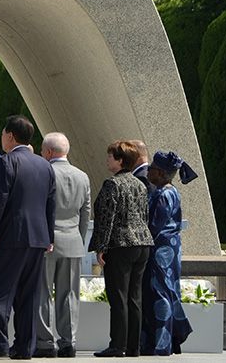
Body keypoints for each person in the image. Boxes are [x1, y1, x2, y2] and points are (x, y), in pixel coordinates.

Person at [0, 115, 56, 360]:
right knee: (29, 296)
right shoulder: (45, 165)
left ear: (10, 136)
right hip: (38, 238)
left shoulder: (6, 161)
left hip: (11, 236)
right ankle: (24, 347)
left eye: (3, 134)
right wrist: (49, 237)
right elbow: (50, 203)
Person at [88, 141, 154, 358]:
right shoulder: (140, 184)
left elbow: (106, 218)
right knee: (135, 297)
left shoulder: (112, 184)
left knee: (118, 297)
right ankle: (134, 346)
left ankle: (118, 345)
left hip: (121, 245)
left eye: (110, 156)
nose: (107, 160)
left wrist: (100, 247)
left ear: (120, 160)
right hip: (143, 243)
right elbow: (144, 215)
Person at [35, 132, 90, 359]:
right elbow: (85, 213)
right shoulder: (82, 176)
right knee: (69, 295)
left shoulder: (44, 173)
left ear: (48, 152)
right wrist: (79, 237)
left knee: (43, 294)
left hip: (46, 242)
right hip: (73, 240)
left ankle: (45, 342)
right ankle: (69, 342)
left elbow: (38, 208)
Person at [141, 150, 197, 356]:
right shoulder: (167, 191)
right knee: (166, 291)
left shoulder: (164, 194)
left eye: (152, 169)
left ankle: (161, 343)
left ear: (161, 173)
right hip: (167, 249)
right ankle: (166, 339)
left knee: (160, 293)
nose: (148, 171)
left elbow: (155, 226)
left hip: (161, 251)